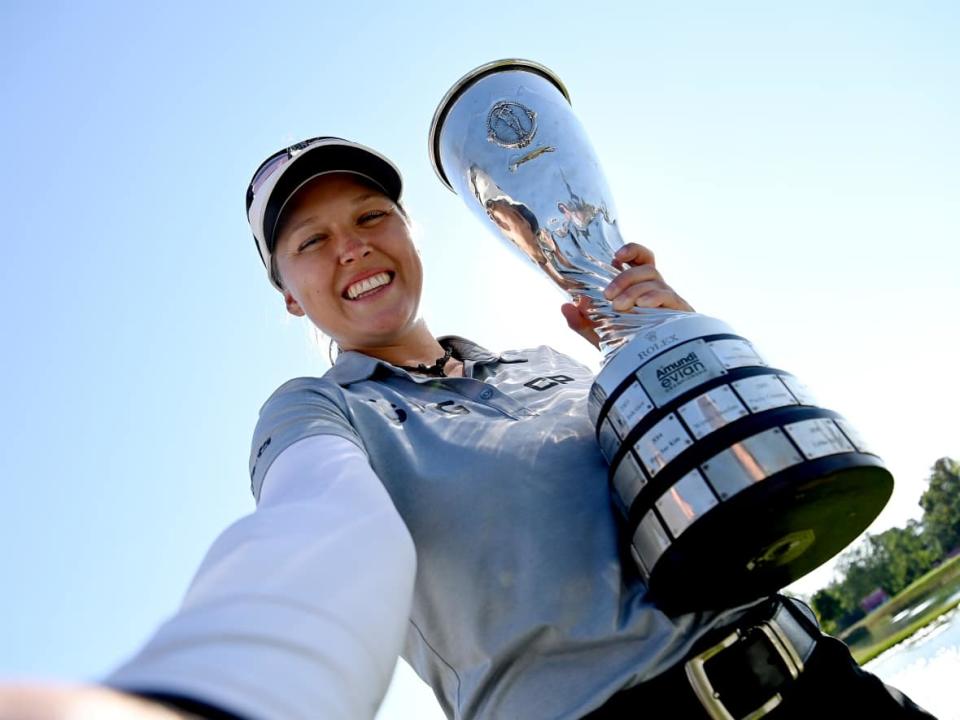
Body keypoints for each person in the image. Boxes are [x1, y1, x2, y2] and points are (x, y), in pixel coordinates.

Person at [0, 137, 936, 720]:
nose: (353, 246)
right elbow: (321, 529)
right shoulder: (321, 413)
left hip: (821, 675)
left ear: (410, 232)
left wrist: (678, 340)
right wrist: (216, 687)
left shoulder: (549, 360)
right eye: (311, 242)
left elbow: (725, 497)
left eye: (371, 216)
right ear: (288, 296)